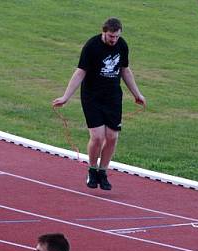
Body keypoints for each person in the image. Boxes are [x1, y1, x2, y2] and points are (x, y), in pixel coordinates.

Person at [52, 17, 146, 191]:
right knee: (97, 137)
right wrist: (66, 97)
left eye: (117, 36)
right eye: (111, 36)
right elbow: (80, 72)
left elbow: (125, 70)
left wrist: (137, 94)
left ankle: (103, 171)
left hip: (112, 97)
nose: (114, 40)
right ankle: (92, 169)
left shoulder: (122, 45)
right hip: (92, 97)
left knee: (112, 137)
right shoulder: (92, 46)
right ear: (104, 32)